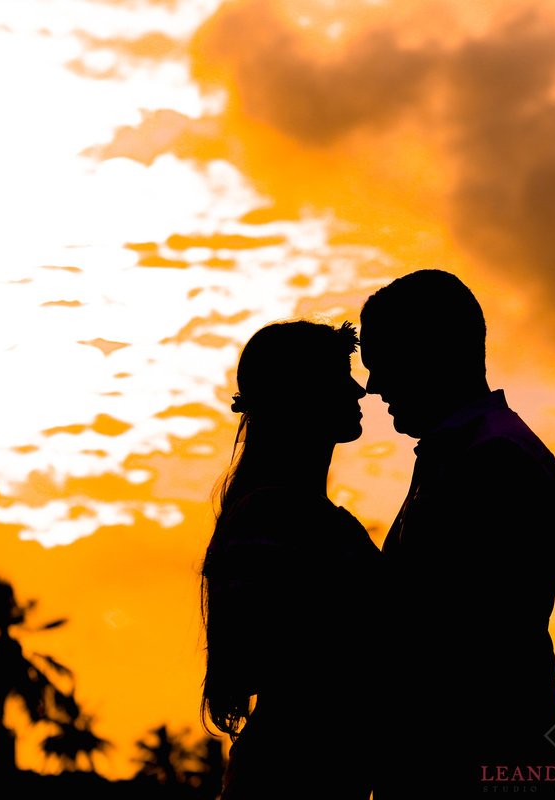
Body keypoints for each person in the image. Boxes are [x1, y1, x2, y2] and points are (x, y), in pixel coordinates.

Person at [360, 270, 555, 797]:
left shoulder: (493, 459)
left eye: (382, 362)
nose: (373, 386)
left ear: (430, 351)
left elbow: (468, 635)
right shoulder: (466, 452)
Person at [199, 319, 379, 799]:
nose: (359, 390)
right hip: (291, 778)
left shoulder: (301, 515)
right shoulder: (272, 514)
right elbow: (251, 661)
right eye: (340, 378)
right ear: (302, 395)